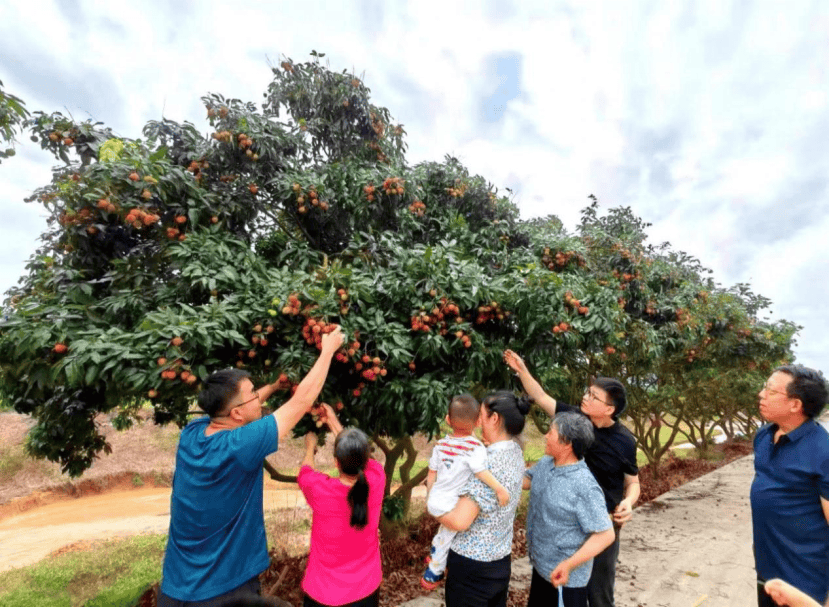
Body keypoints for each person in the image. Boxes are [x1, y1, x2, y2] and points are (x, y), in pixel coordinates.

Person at [157, 326, 344, 607]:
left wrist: (271, 388)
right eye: (253, 393)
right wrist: (328, 350)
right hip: (221, 591)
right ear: (236, 414)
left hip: (174, 589)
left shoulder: (192, 433)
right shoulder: (240, 445)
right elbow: (302, 400)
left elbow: (240, 410)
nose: (258, 396)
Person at [503, 350, 639, 607]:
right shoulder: (574, 420)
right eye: (588, 392)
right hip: (566, 527)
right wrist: (521, 369)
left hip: (600, 525)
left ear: (609, 408)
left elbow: (632, 482)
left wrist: (629, 501)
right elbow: (540, 396)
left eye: (593, 396)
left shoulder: (624, 441)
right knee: (564, 588)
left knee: (598, 595)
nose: (585, 397)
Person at [434, 391, 530, 607]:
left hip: (471, 569)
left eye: (482, 416)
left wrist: (434, 503)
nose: (477, 422)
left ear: (494, 419)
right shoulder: (515, 451)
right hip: (500, 562)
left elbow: (460, 521)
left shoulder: (486, 464)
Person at [750, 364, 829, 607]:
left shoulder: (822, 451)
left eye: (771, 391)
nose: (761, 395)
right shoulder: (764, 436)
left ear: (796, 405)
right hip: (767, 571)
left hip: (802, 581)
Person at [524, 412, 615, 607]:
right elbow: (528, 480)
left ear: (567, 443)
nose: (546, 436)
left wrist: (568, 565)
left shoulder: (584, 486)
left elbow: (606, 535)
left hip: (566, 581)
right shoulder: (547, 463)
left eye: (551, 432)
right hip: (541, 569)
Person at [298, 403, 385, 607]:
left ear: (336, 462)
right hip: (366, 591)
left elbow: (305, 471)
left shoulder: (319, 489)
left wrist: (310, 446)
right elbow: (360, 456)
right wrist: (333, 422)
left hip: (323, 593)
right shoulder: (377, 478)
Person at [421, 394, 511, 589]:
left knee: (444, 532)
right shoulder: (475, 447)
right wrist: (499, 488)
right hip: (450, 504)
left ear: (447, 419)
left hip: (435, 499)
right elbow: (481, 472)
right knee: (449, 535)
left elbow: (432, 474)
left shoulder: (440, 445)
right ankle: (434, 571)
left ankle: (436, 554)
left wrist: (429, 496)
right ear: (478, 421)